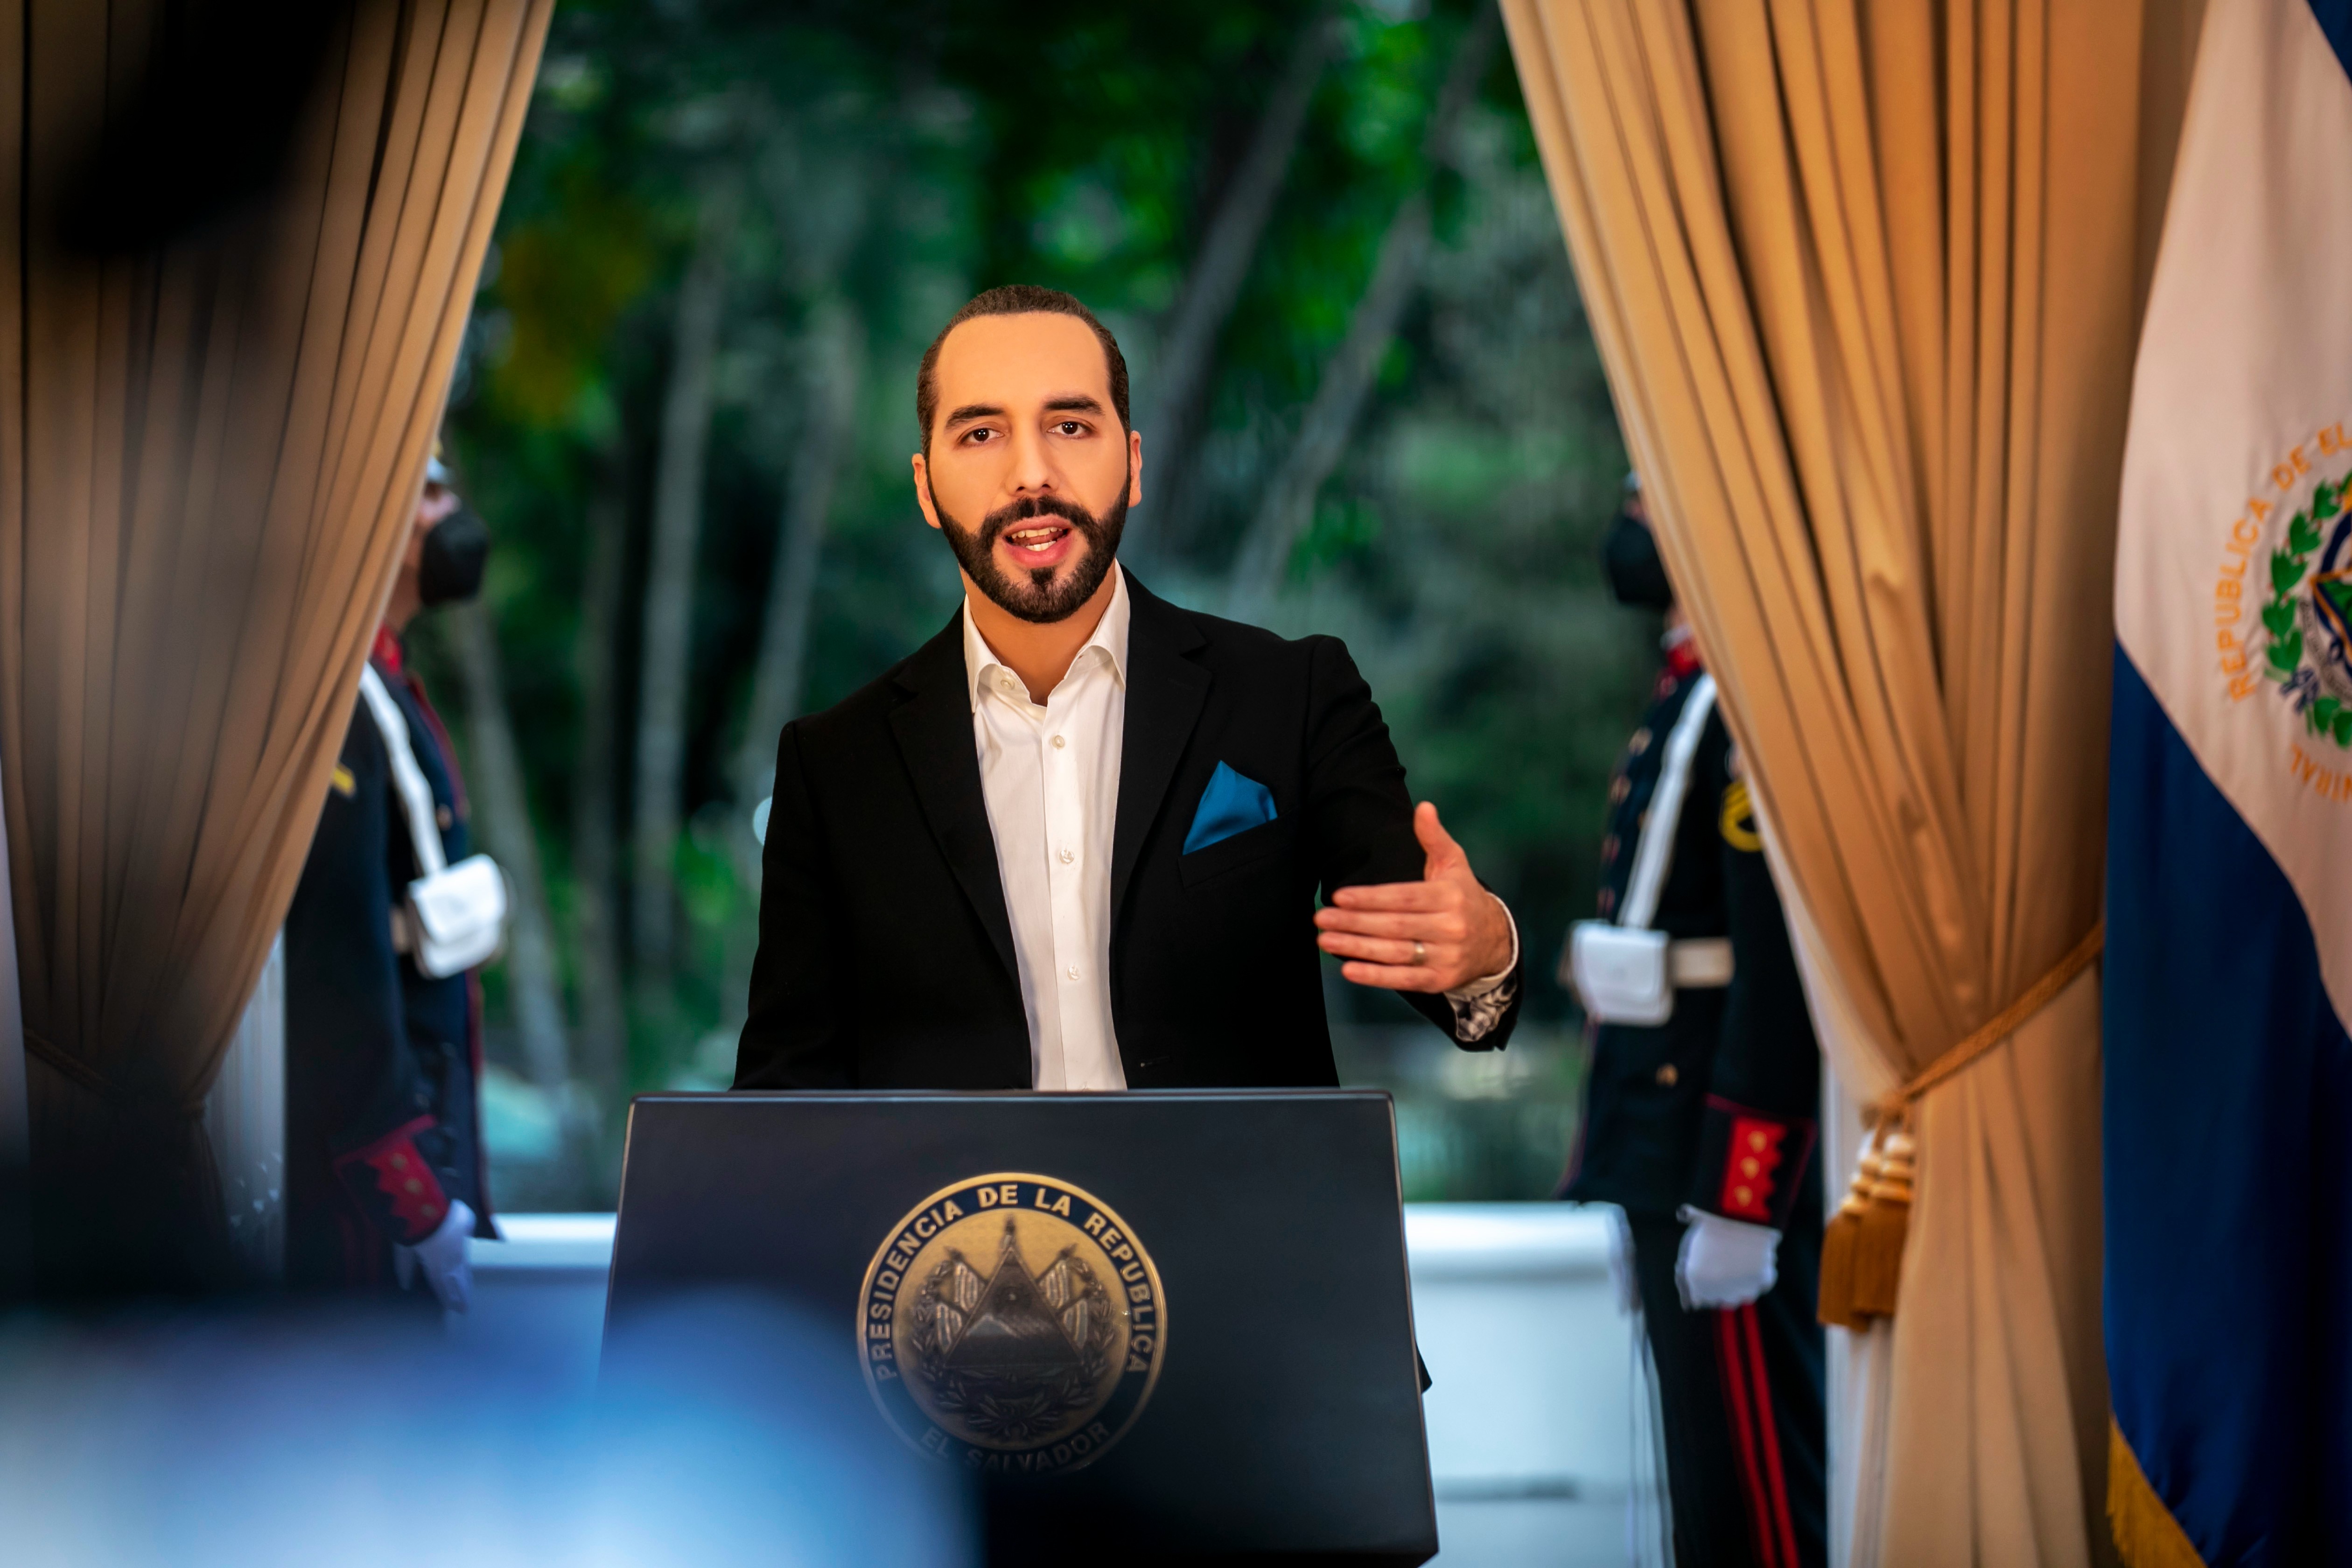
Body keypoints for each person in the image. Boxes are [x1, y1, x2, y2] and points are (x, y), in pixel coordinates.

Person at [734, 285, 1524, 1092]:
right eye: (981, 433)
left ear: (1135, 463)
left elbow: (1427, 942)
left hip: (1231, 1180)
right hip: (961, 1186)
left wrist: (1484, 949)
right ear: (926, 487)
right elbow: (781, 1098)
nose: (1031, 475)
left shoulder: (1297, 695)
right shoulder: (834, 768)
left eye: (1070, 427)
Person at [1561, 478, 1826, 1567]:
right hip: (1665, 1144)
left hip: (1716, 1152)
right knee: (1702, 1483)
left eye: (1647, 497)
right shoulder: (1688, 689)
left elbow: (1775, 972)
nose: (1628, 521)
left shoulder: (1746, 699)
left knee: (1758, 1488)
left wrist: (1744, 1198)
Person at [283, 449, 501, 1310]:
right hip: (372, 1190)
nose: (452, 512)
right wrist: (408, 1196)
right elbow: (338, 960)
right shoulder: (344, 700)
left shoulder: (386, 681)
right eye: (432, 492)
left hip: (427, 1137)